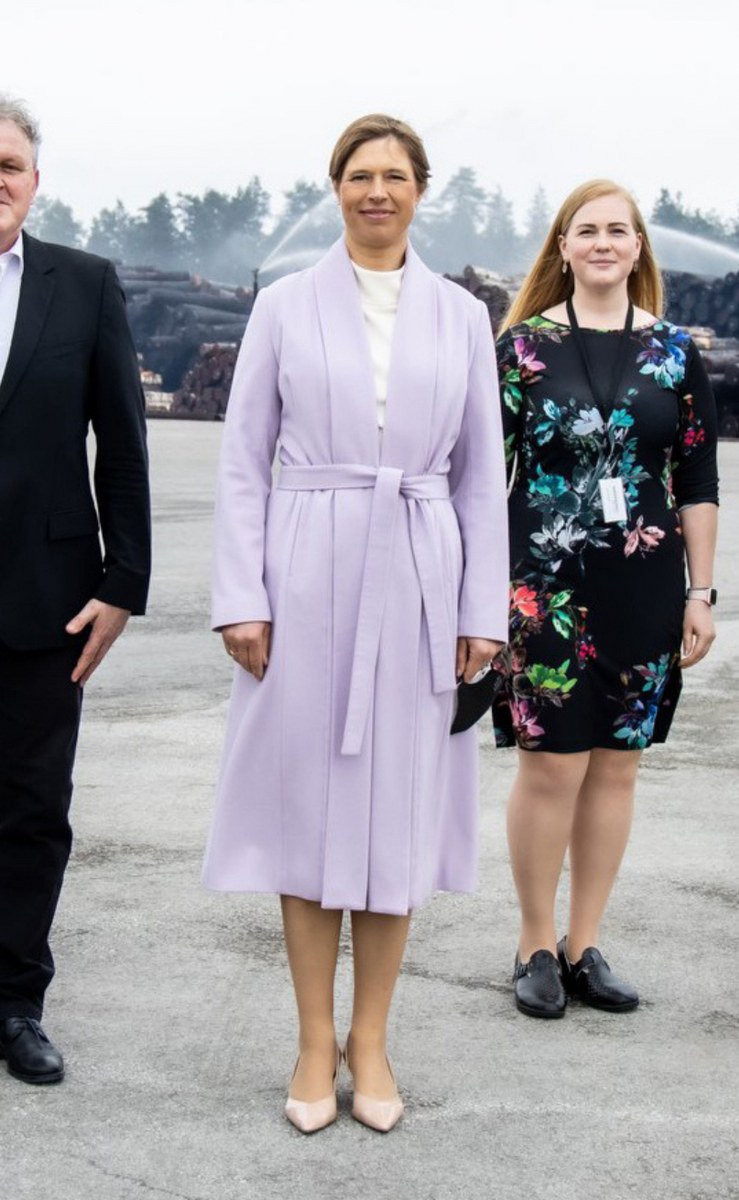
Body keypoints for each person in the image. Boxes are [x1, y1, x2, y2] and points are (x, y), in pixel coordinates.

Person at [203, 114, 509, 1132]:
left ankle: (370, 1039)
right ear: (335, 188)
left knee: (396, 816)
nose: (376, 190)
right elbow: (245, 459)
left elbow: (479, 481)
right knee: (306, 809)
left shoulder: (463, 317)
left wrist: (480, 615)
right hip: (305, 570)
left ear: (421, 190)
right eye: (358, 175)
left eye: (394, 175)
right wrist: (241, 596)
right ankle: (308, 1039)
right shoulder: (286, 308)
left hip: (420, 570)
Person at [493, 180, 718, 1018]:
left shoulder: (672, 350)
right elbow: (485, 476)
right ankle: (533, 943)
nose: (601, 242)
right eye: (585, 230)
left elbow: (694, 476)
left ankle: (585, 944)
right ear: (562, 247)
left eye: (616, 230)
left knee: (616, 768)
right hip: (540, 590)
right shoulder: (521, 350)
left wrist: (701, 592)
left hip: (643, 587)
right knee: (550, 766)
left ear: (635, 249)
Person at [0, 97, 151, 1083]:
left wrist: (123, 583)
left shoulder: (84, 285)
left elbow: (124, 444)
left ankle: (16, 999)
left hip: (45, 597)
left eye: (9, 164)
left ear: (35, 180)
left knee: (30, 808)